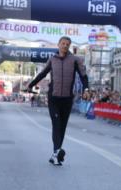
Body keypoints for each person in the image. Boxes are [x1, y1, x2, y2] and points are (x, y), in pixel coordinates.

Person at [26, 36, 89, 166]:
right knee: (56, 124)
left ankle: (56, 153)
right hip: (53, 97)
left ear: (69, 46)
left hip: (67, 99)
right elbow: (42, 74)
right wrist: (31, 84)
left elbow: (83, 76)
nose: (65, 46)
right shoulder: (52, 59)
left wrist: (86, 89)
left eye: (67, 44)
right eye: (63, 43)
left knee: (62, 127)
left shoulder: (75, 60)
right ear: (58, 44)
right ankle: (56, 152)